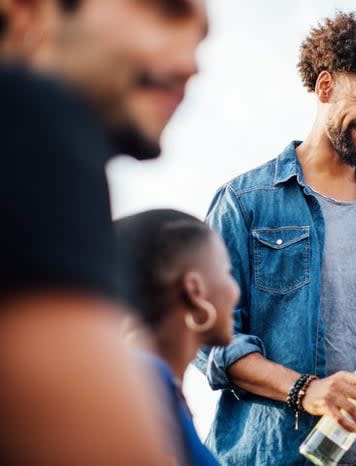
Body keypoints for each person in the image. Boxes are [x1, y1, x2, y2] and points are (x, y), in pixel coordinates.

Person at [195, 12, 356, 466]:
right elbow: (208, 338)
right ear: (324, 87)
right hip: (274, 456)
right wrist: (308, 391)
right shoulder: (245, 202)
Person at [0, 1, 207, 464]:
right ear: (30, 11)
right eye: (165, 12)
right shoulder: (32, 118)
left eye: (200, 39)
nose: (191, 64)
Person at [115, 209, 241, 466]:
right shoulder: (146, 383)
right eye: (227, 272)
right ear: (195, 290)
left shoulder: (150, 383)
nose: (235, 290)